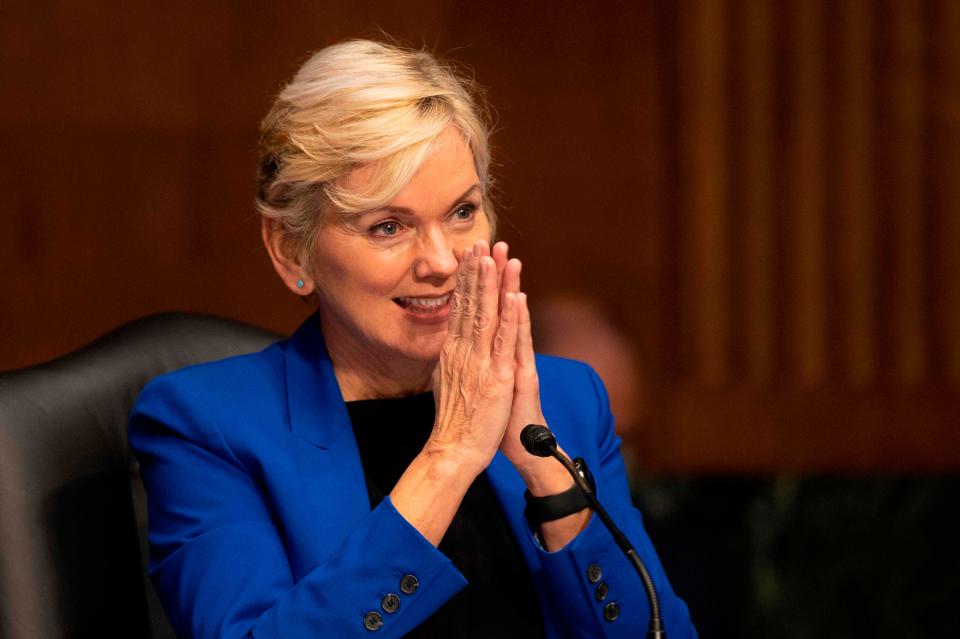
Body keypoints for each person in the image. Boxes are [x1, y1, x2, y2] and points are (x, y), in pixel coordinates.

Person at [129, 39, 696, 638]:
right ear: (290, 249)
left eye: (461, 212)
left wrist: (546, 474)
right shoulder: (208, 425)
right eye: (389, 226)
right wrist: (449, 456)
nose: (441, 261)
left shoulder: (567, 400)